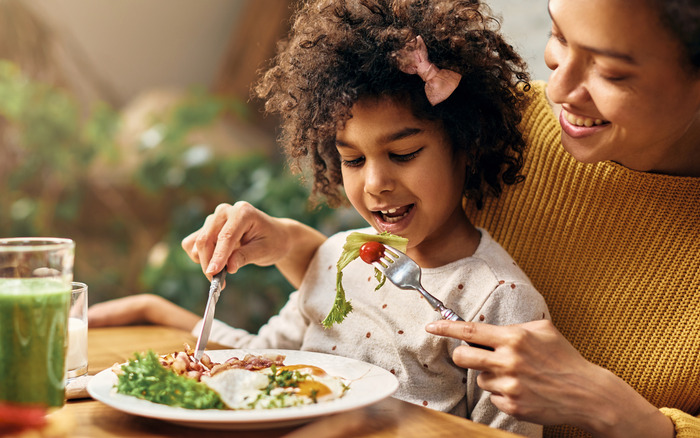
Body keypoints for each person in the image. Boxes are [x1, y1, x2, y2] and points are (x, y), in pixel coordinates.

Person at [177, 0, 700, 437]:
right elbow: (369, 310)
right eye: (559, 38)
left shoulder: (500, 283)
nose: (559, 89)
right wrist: (294, 246)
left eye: (610, 70)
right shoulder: (494, 119)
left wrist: (611, 406)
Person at [89, 0, 551, 435]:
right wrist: (160, 314)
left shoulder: (498, 302)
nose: (374, 184)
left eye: (404, 153)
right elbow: (265, 363)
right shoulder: (339, 259)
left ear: (466, 144)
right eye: (352, 160)